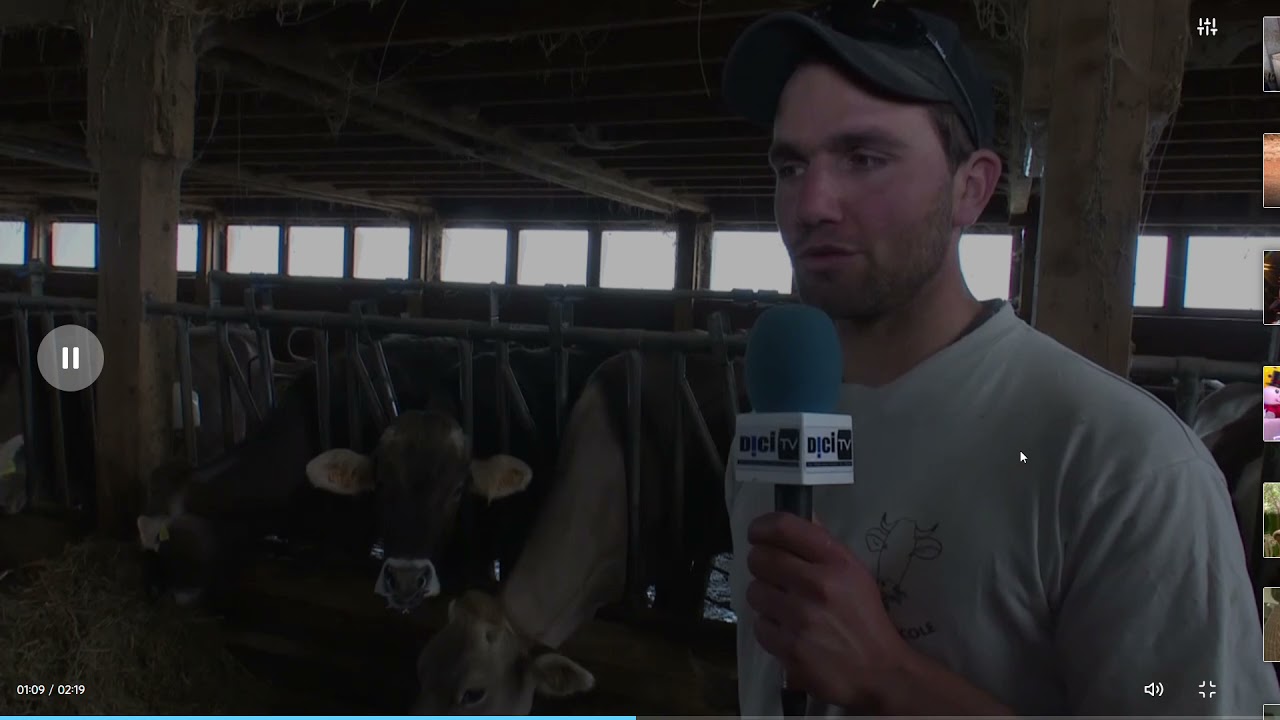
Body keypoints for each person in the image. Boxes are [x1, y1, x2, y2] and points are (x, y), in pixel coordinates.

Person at [718, 2, 1279, 716]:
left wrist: (891, 676)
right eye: (791, 165)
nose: (811, 204)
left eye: (864, 158)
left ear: (972, 189)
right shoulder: (772, 433)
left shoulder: (1126, 465)